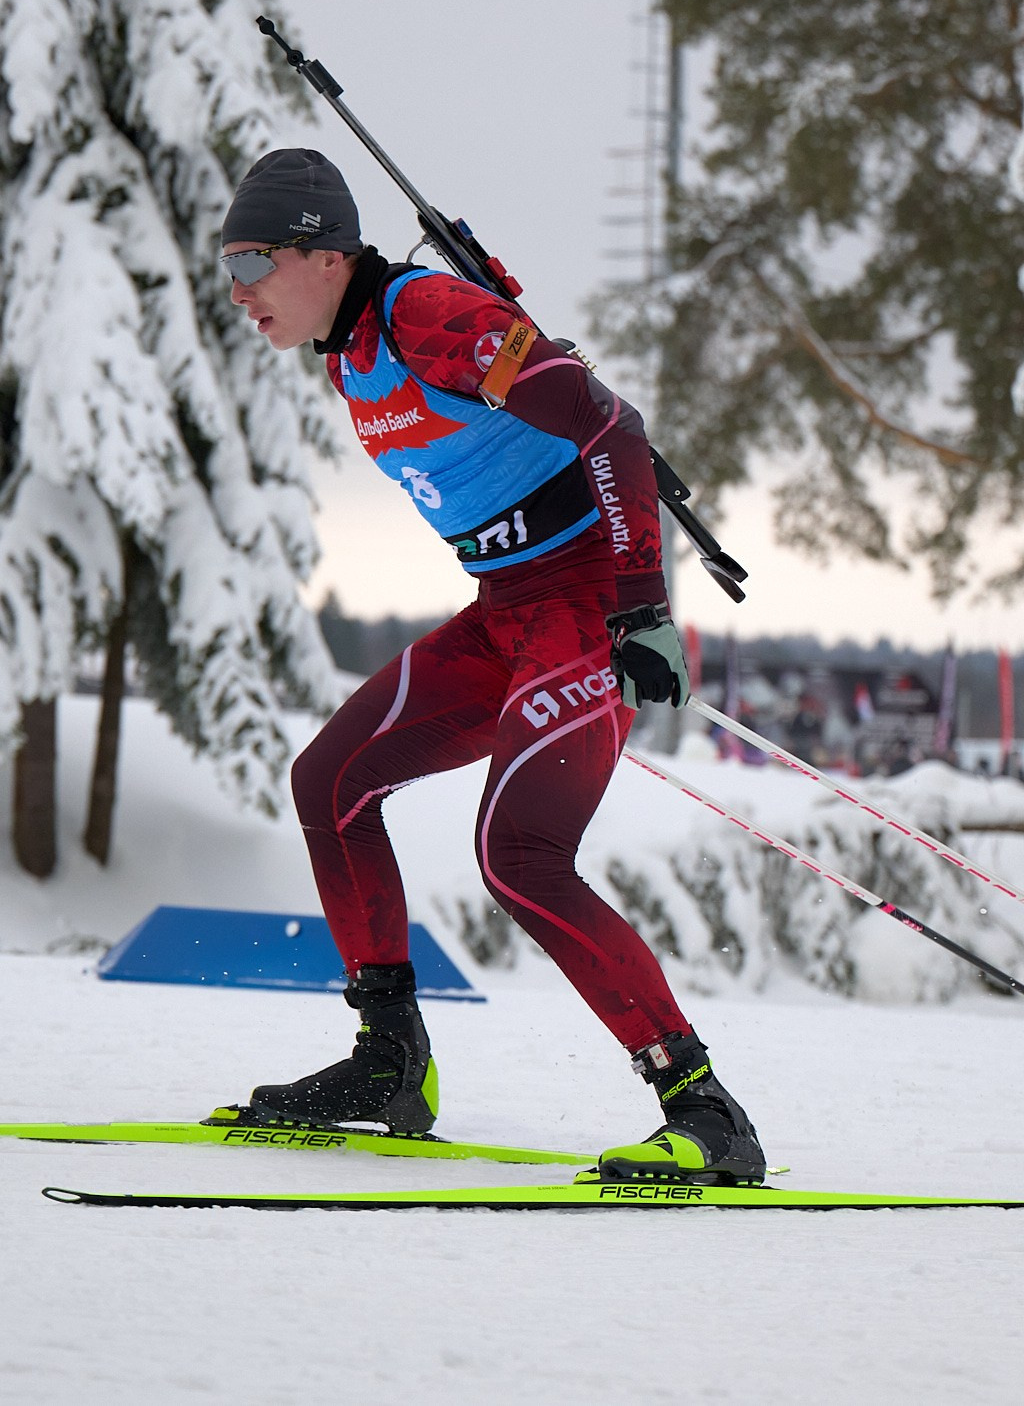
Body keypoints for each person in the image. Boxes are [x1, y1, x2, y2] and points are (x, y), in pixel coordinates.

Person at [201, 148, 763, 1186]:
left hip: (585, 606)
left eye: (249, 263)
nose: (236, 292)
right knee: (330, 781)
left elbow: (608, 425)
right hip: (505, 611)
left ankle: (706, 1111)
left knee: (521, 855)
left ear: (320, 253)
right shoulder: (353, 341)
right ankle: (388, 1065)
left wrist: (641, 602)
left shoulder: (423, 317)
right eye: (225, 266)